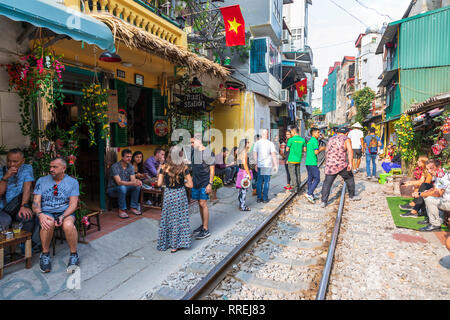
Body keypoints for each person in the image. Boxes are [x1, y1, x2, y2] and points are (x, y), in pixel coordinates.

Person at [32, 158, 80, 273]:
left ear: (63, 168)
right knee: (47, 223)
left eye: (54, 167)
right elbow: (35, 203)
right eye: (50, 167)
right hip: (47, 211)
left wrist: (63, 216)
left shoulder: (72, 182)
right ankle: (45, 254)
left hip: (65, 212)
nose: (51, 169)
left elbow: (73, 205)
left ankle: (74, 255)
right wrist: (40, 214)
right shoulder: (42, 181)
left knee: (68, 225)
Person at [157, 146, 193, 253]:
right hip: (180, 194)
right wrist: (184, 182)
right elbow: (190, 185)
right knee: (179, 219)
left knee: (168, 218)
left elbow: (159, 183)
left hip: (168, 195)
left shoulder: (164, 167)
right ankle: (176, 244)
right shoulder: (184, 168)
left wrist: (167, 183)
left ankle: (166, 243)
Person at [0, 149, 36, 245]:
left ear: (23, 161)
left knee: (27, 217)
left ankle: (23, 246)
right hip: (2, 208)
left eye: (15, 161)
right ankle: (3, 249)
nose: (11, 164)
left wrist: (23, 205)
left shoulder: (27, 168)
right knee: (5, 220)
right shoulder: (1, 171)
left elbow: (27, 188)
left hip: (18, 205)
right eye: (9, 161)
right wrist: (5, 177)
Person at [320, 127, 361, 208]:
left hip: (331, 165)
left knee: (327, 183)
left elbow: (327, 150)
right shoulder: (346, 139)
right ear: (346, 133)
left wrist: (327, 162)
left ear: (338, 132)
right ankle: (352, 196)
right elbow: (350, 151)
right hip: (341, 165)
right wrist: (350, 163)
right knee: (349, 178)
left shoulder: (331, 139)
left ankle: (323, 202)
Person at [190, 134, 215, 240]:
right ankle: (203, 224)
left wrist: (210, 184)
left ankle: (205, 229)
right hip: (196, 182)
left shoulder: (208, 152)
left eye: (192, 142)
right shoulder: (193, 152)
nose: (191, 145)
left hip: (205, 182)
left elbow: (212, 170)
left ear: (199, 141)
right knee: (199, 204)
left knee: (203, 203)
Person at [107, 149, 142, 219]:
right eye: (127, 156)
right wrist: (133, 183)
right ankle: (122, 210)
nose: (129, 158)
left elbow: (133, 180)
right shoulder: (115, 166)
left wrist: (137, 181)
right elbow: (119, 182)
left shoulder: (130, 166)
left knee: (137, 187)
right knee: (122, 187)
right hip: (113, 189)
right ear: (122, 157)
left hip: (125, 188)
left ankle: (133, 207)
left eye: (130, 156)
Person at [418, 160, 449, 232]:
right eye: (428, 169)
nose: (429, 171)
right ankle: (433, 219)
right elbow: (435, 189)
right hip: (445, 199)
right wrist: (426, 192)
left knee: (429, 199)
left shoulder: (442, 175)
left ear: (439, 167)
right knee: (426, 193)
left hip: (448, 201)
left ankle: (435, 224)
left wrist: (421, 194)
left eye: (431, 168)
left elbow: (438, 194)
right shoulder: (438, 174)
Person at [253, 129, 279, 203]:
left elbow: (255, 154)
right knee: (266, 182)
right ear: (267, 134)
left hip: (260, 165)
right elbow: (273, 155)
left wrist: (256, 163)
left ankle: (259, 198)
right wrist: (275, 165)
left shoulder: (257, 143)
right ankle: (264, 198)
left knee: (259, 182)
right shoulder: (270, 143)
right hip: (267, 165)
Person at [304, 128, 326, 203]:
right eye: (317, 132)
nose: (319, 134)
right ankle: (309, 193)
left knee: (310, 178)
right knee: (317, 178)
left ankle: (311, 194)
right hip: (313, 162)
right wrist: (322, 148)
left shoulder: (310, 141)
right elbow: (316, 152)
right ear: (313, 133)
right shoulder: (314, 141)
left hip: (308, 162)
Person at [286, 126, 306, 193]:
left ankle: (295, 188)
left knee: (292, 173)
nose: (291, 133)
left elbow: (287, 149)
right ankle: (299, 185)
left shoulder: (290, 140)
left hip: (291, 159)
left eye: (291, 132)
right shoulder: (302, 140)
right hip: (298, 159)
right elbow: (305, 150)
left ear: (294, 132)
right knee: (297, 172)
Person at [235, 138, 252, 211]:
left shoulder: (239, 152)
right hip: (244, 173)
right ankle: (243, 206)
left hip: (240, 172)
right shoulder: (244, 153)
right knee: (244, 190)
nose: (248, 144)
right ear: (244, 144)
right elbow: (245, 164)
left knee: (241, 190)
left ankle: (241, 205)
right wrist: (249, 174)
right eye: (247, 143)